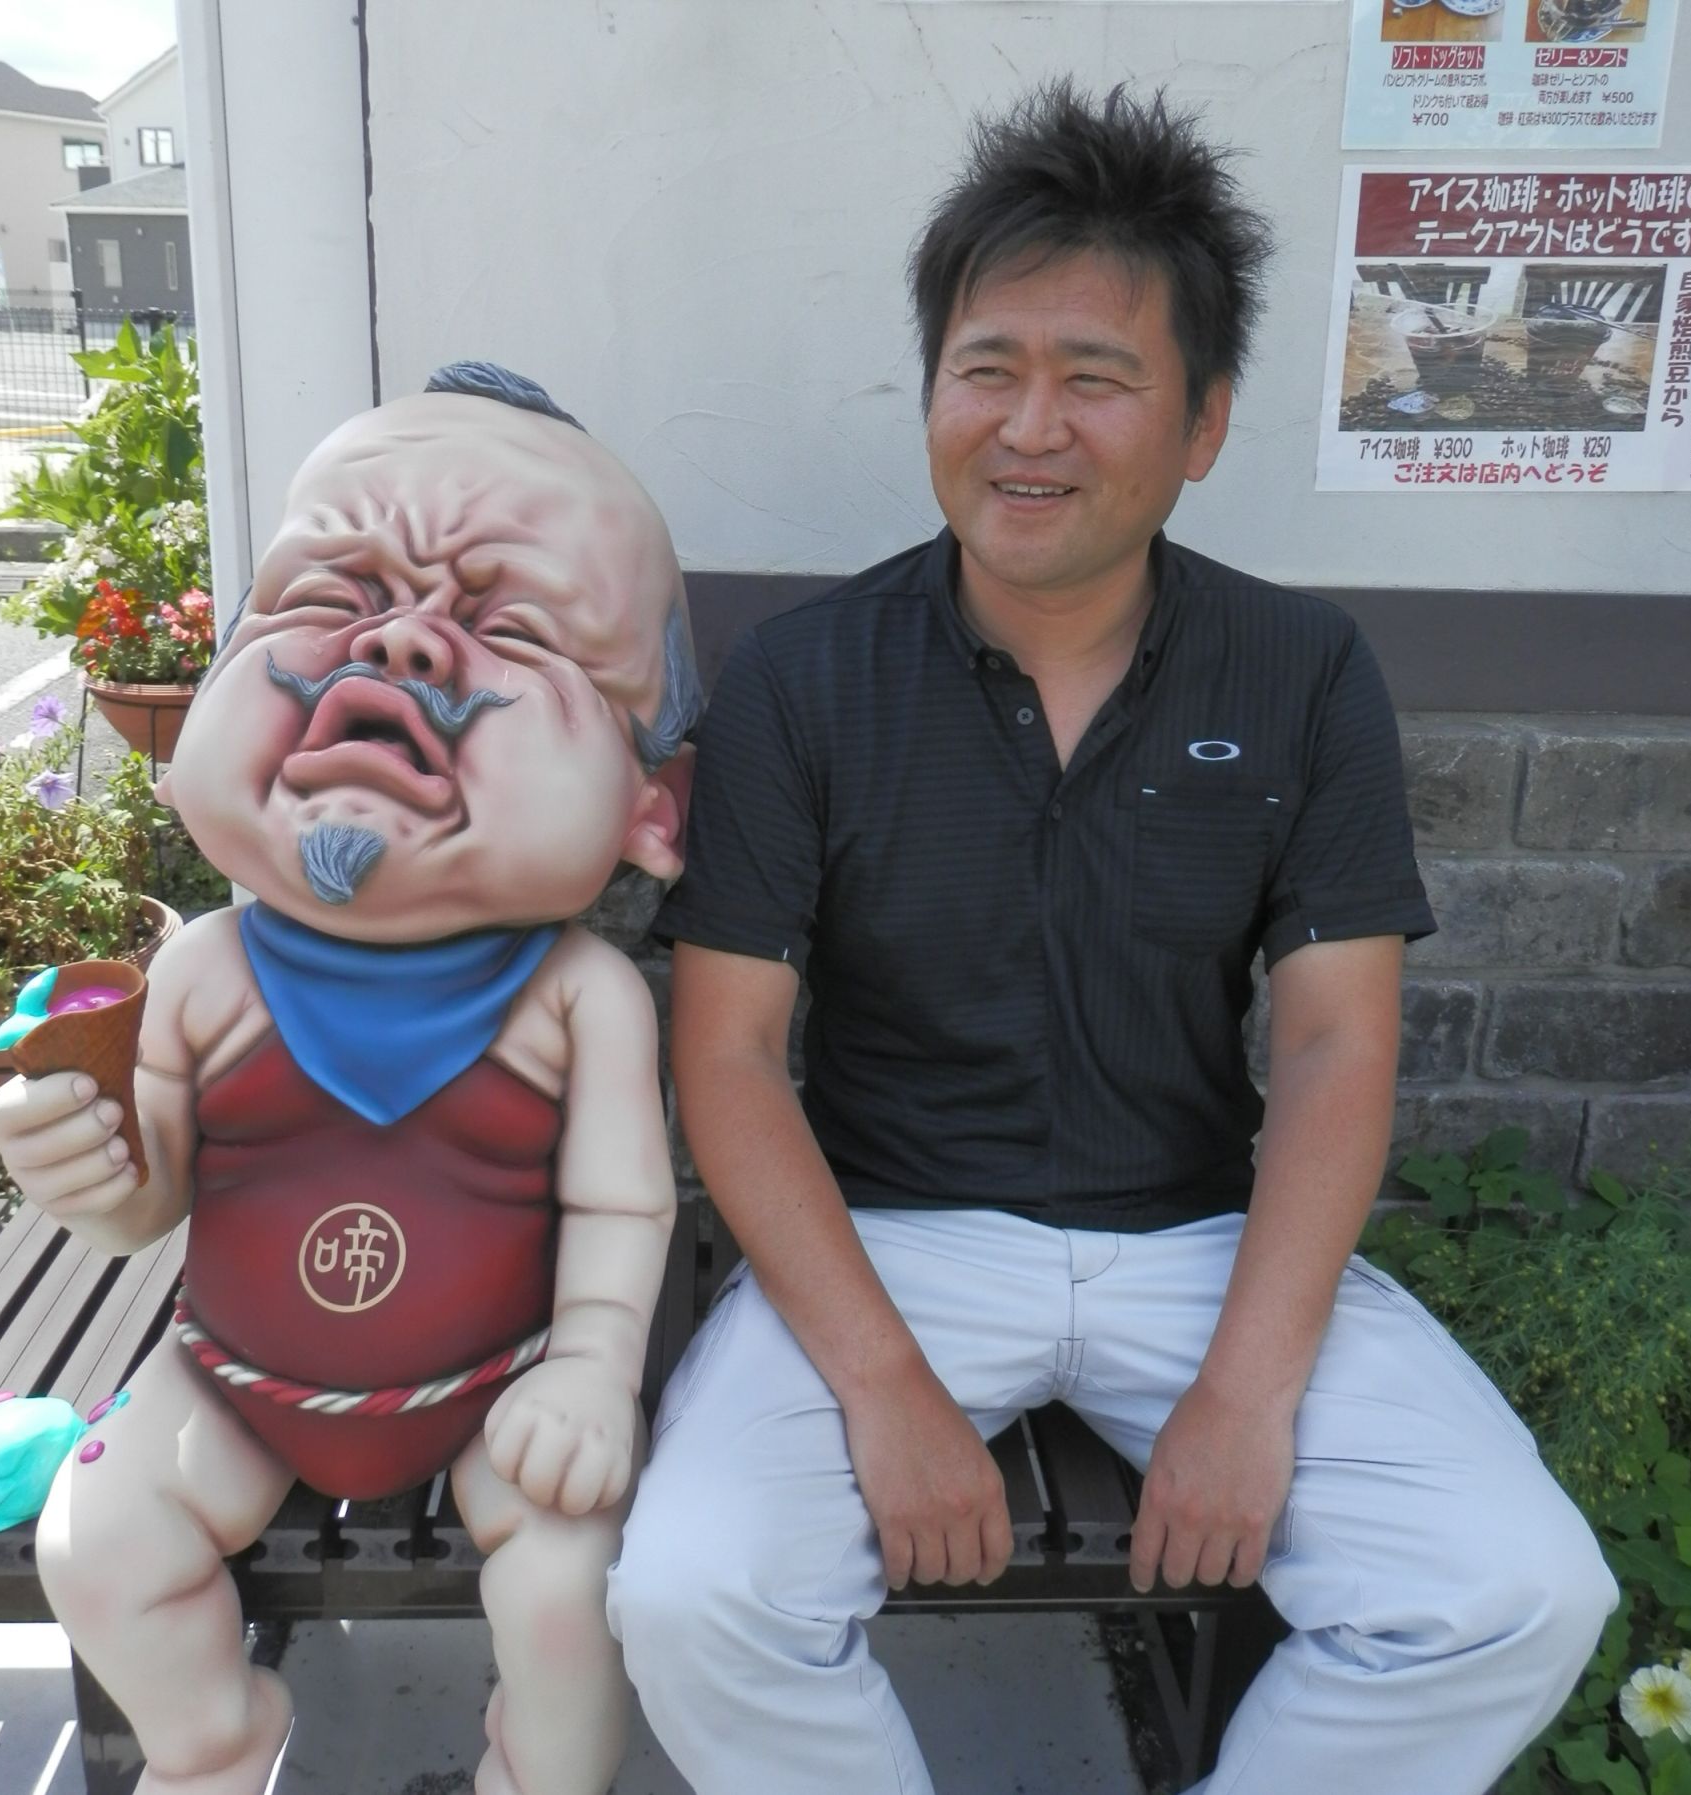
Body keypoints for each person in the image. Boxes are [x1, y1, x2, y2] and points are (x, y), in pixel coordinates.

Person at [607, 82, 1615, 1794]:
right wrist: (885, 1387)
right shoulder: (803, 680)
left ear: (1203, 423)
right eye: (987, 368)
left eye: (1095, 377)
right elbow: (729, 1058)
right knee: (697, 1594)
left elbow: (1334, 1043)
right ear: (934, 389)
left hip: (1202, 1239)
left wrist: (1249, 1390)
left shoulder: (1302, 671)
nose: (1030, 426)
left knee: (1517, 1591)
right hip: (890, 1240)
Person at [0, 363, 701, 1795]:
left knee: (571, 1595)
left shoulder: (580, 998)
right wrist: (87, 1165)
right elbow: (150, 1198)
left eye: (512, 628)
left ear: (651, 809)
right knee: (94, 1541)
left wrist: (591, 1367)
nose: (403, 645)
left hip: (498, 1386)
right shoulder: (204, 971)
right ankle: (212, 1747)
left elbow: (625, 1208)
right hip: (232, 1379)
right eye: (328, 595)